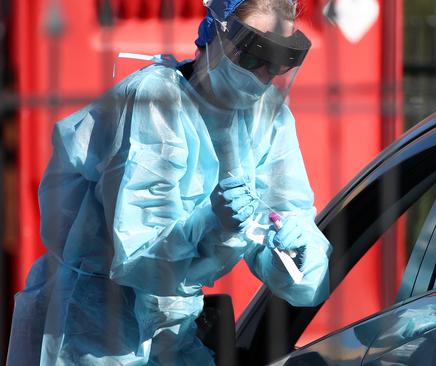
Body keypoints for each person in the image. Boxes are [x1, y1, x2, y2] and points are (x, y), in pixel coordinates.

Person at [7, 0, 331, 364]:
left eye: (281, 58)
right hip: (95, 334)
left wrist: (298, 254)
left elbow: (290, 222)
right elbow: (139, 259)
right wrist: (211, 223)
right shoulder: (156, 101)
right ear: (212, 33)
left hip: (174, 332)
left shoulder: (268, 119)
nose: (264, 73)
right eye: (254, 52)